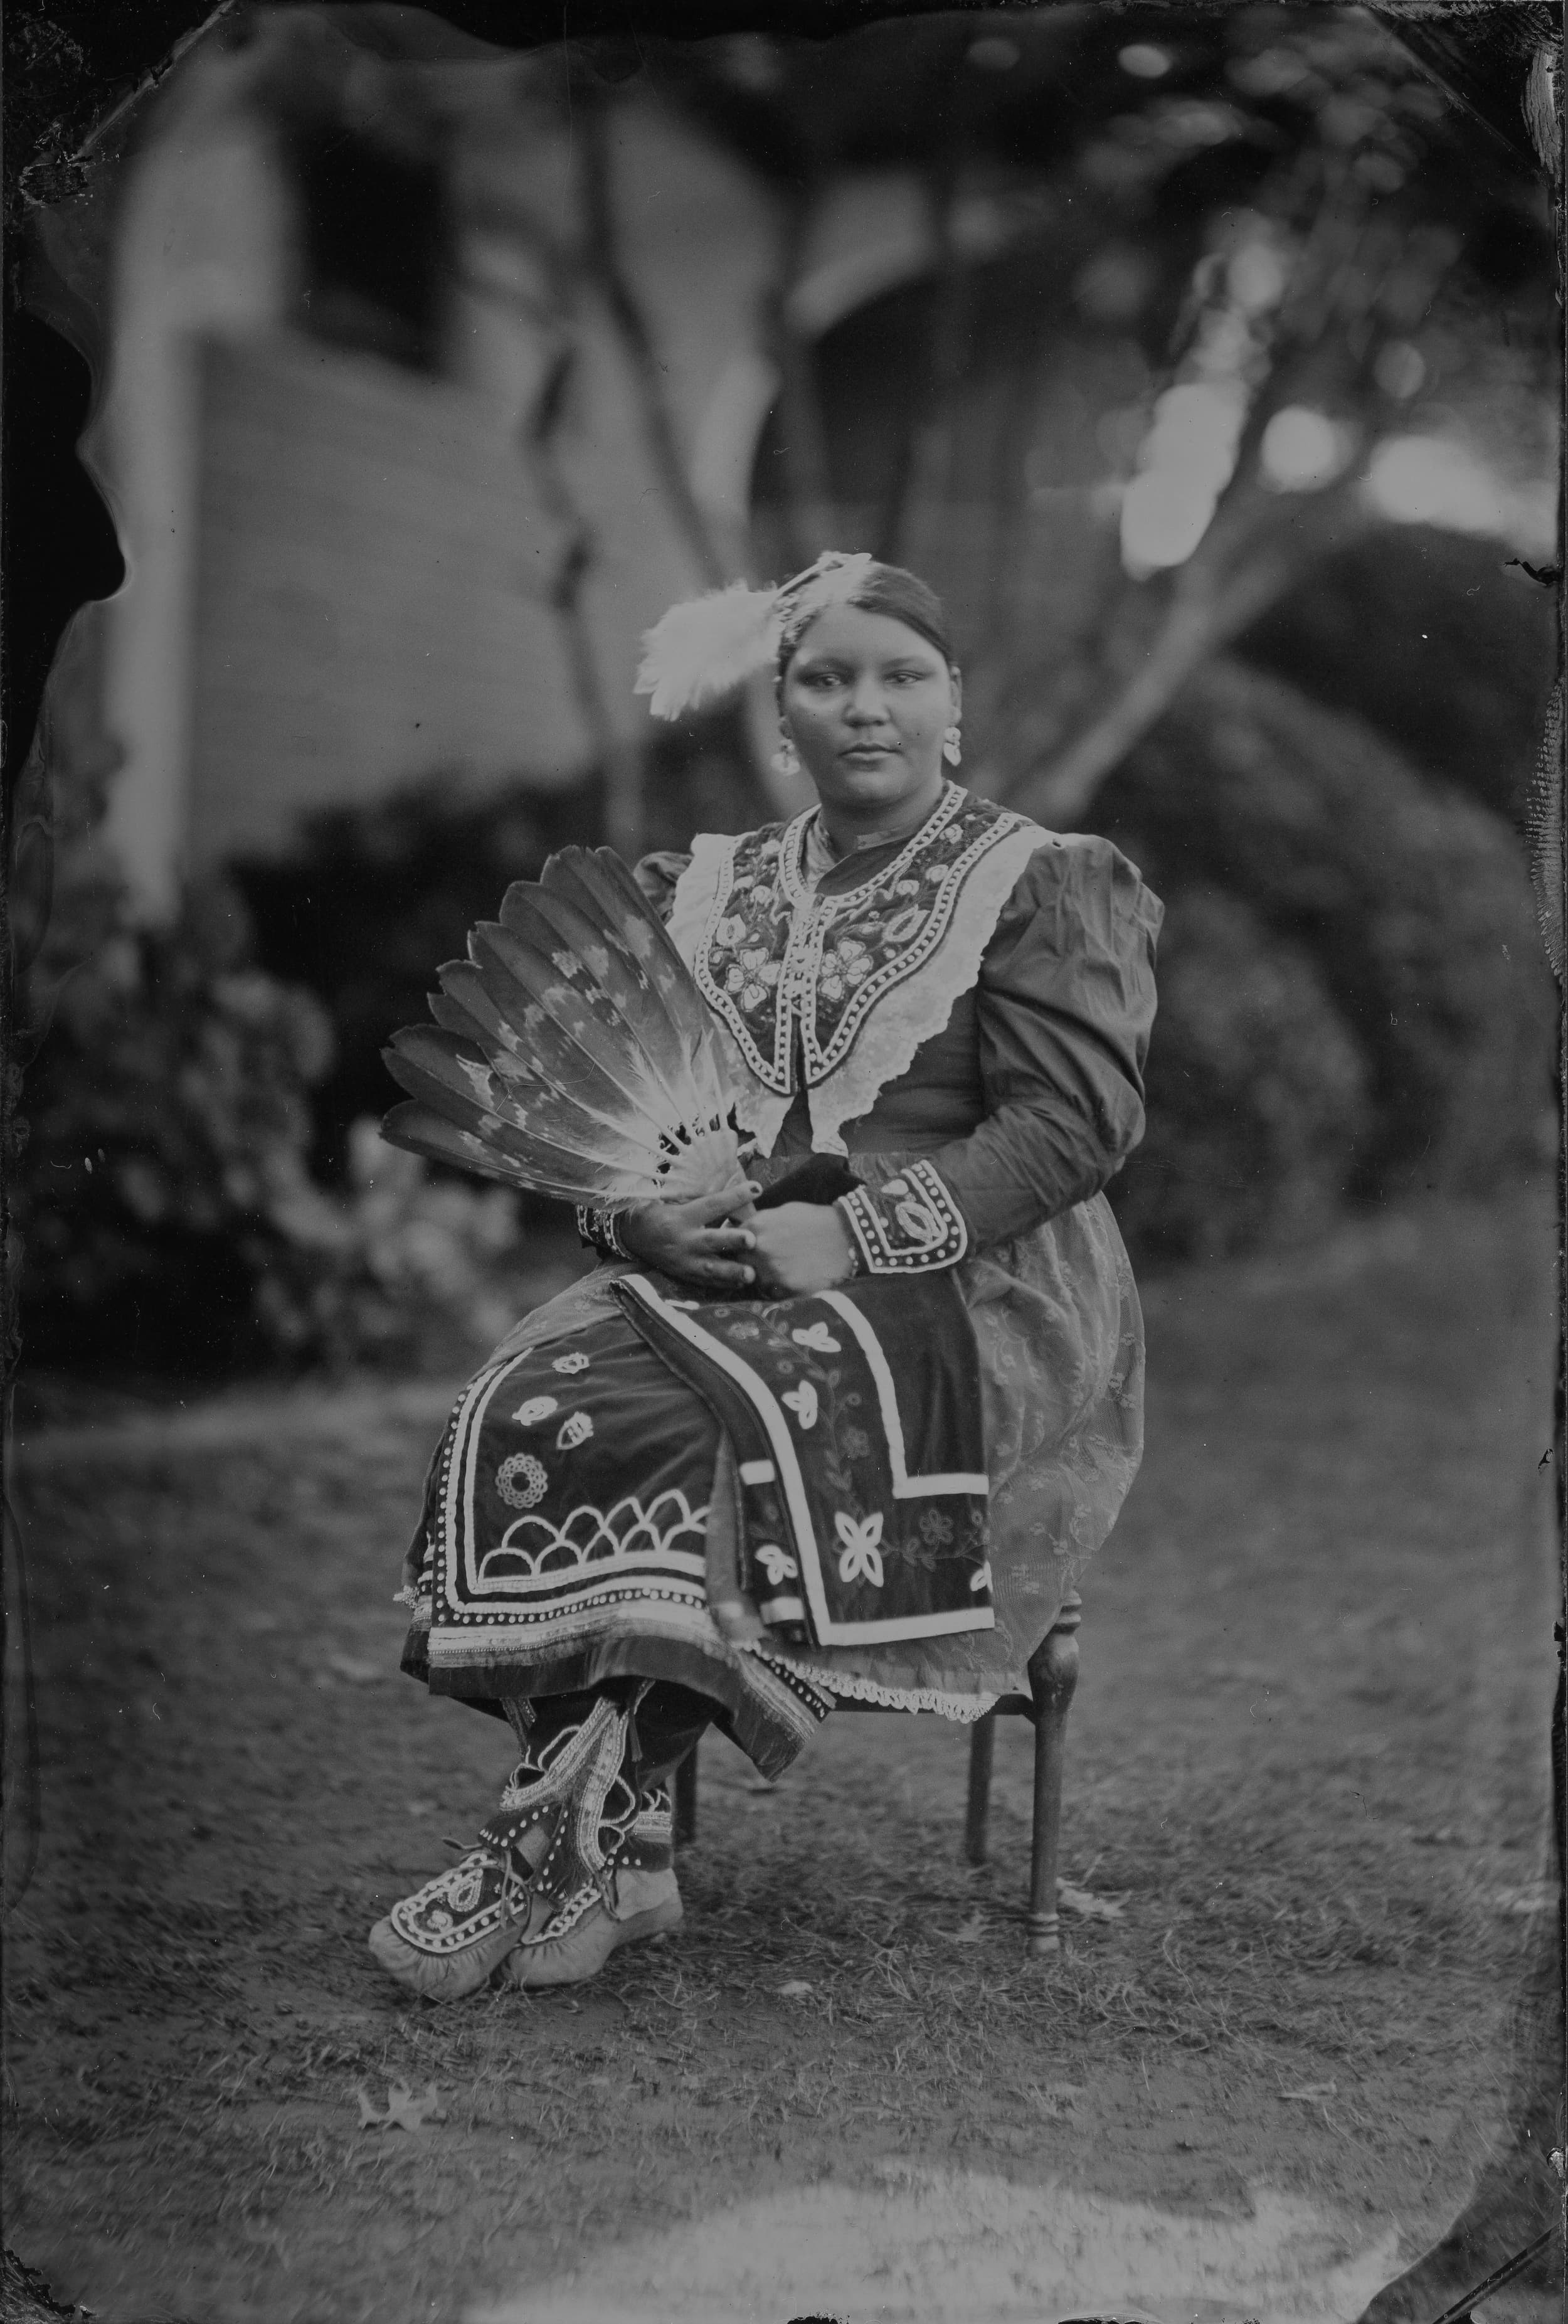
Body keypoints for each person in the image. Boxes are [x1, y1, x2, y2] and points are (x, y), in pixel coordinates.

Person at [370, 553, 1163, 2000]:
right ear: (780, 714)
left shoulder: (1035, 879)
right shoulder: (710, 883)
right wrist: (634, 1226)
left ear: (951, 704)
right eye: (826, 679)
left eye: (900, 676)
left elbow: (1073, 1125)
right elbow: (639, 1123)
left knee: (728, 1435)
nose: (866, 709)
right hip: (735, 1264)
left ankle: (573, 1831)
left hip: (978, 1285)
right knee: (536, 1400)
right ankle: (601, 1824)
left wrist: (856, 1233)